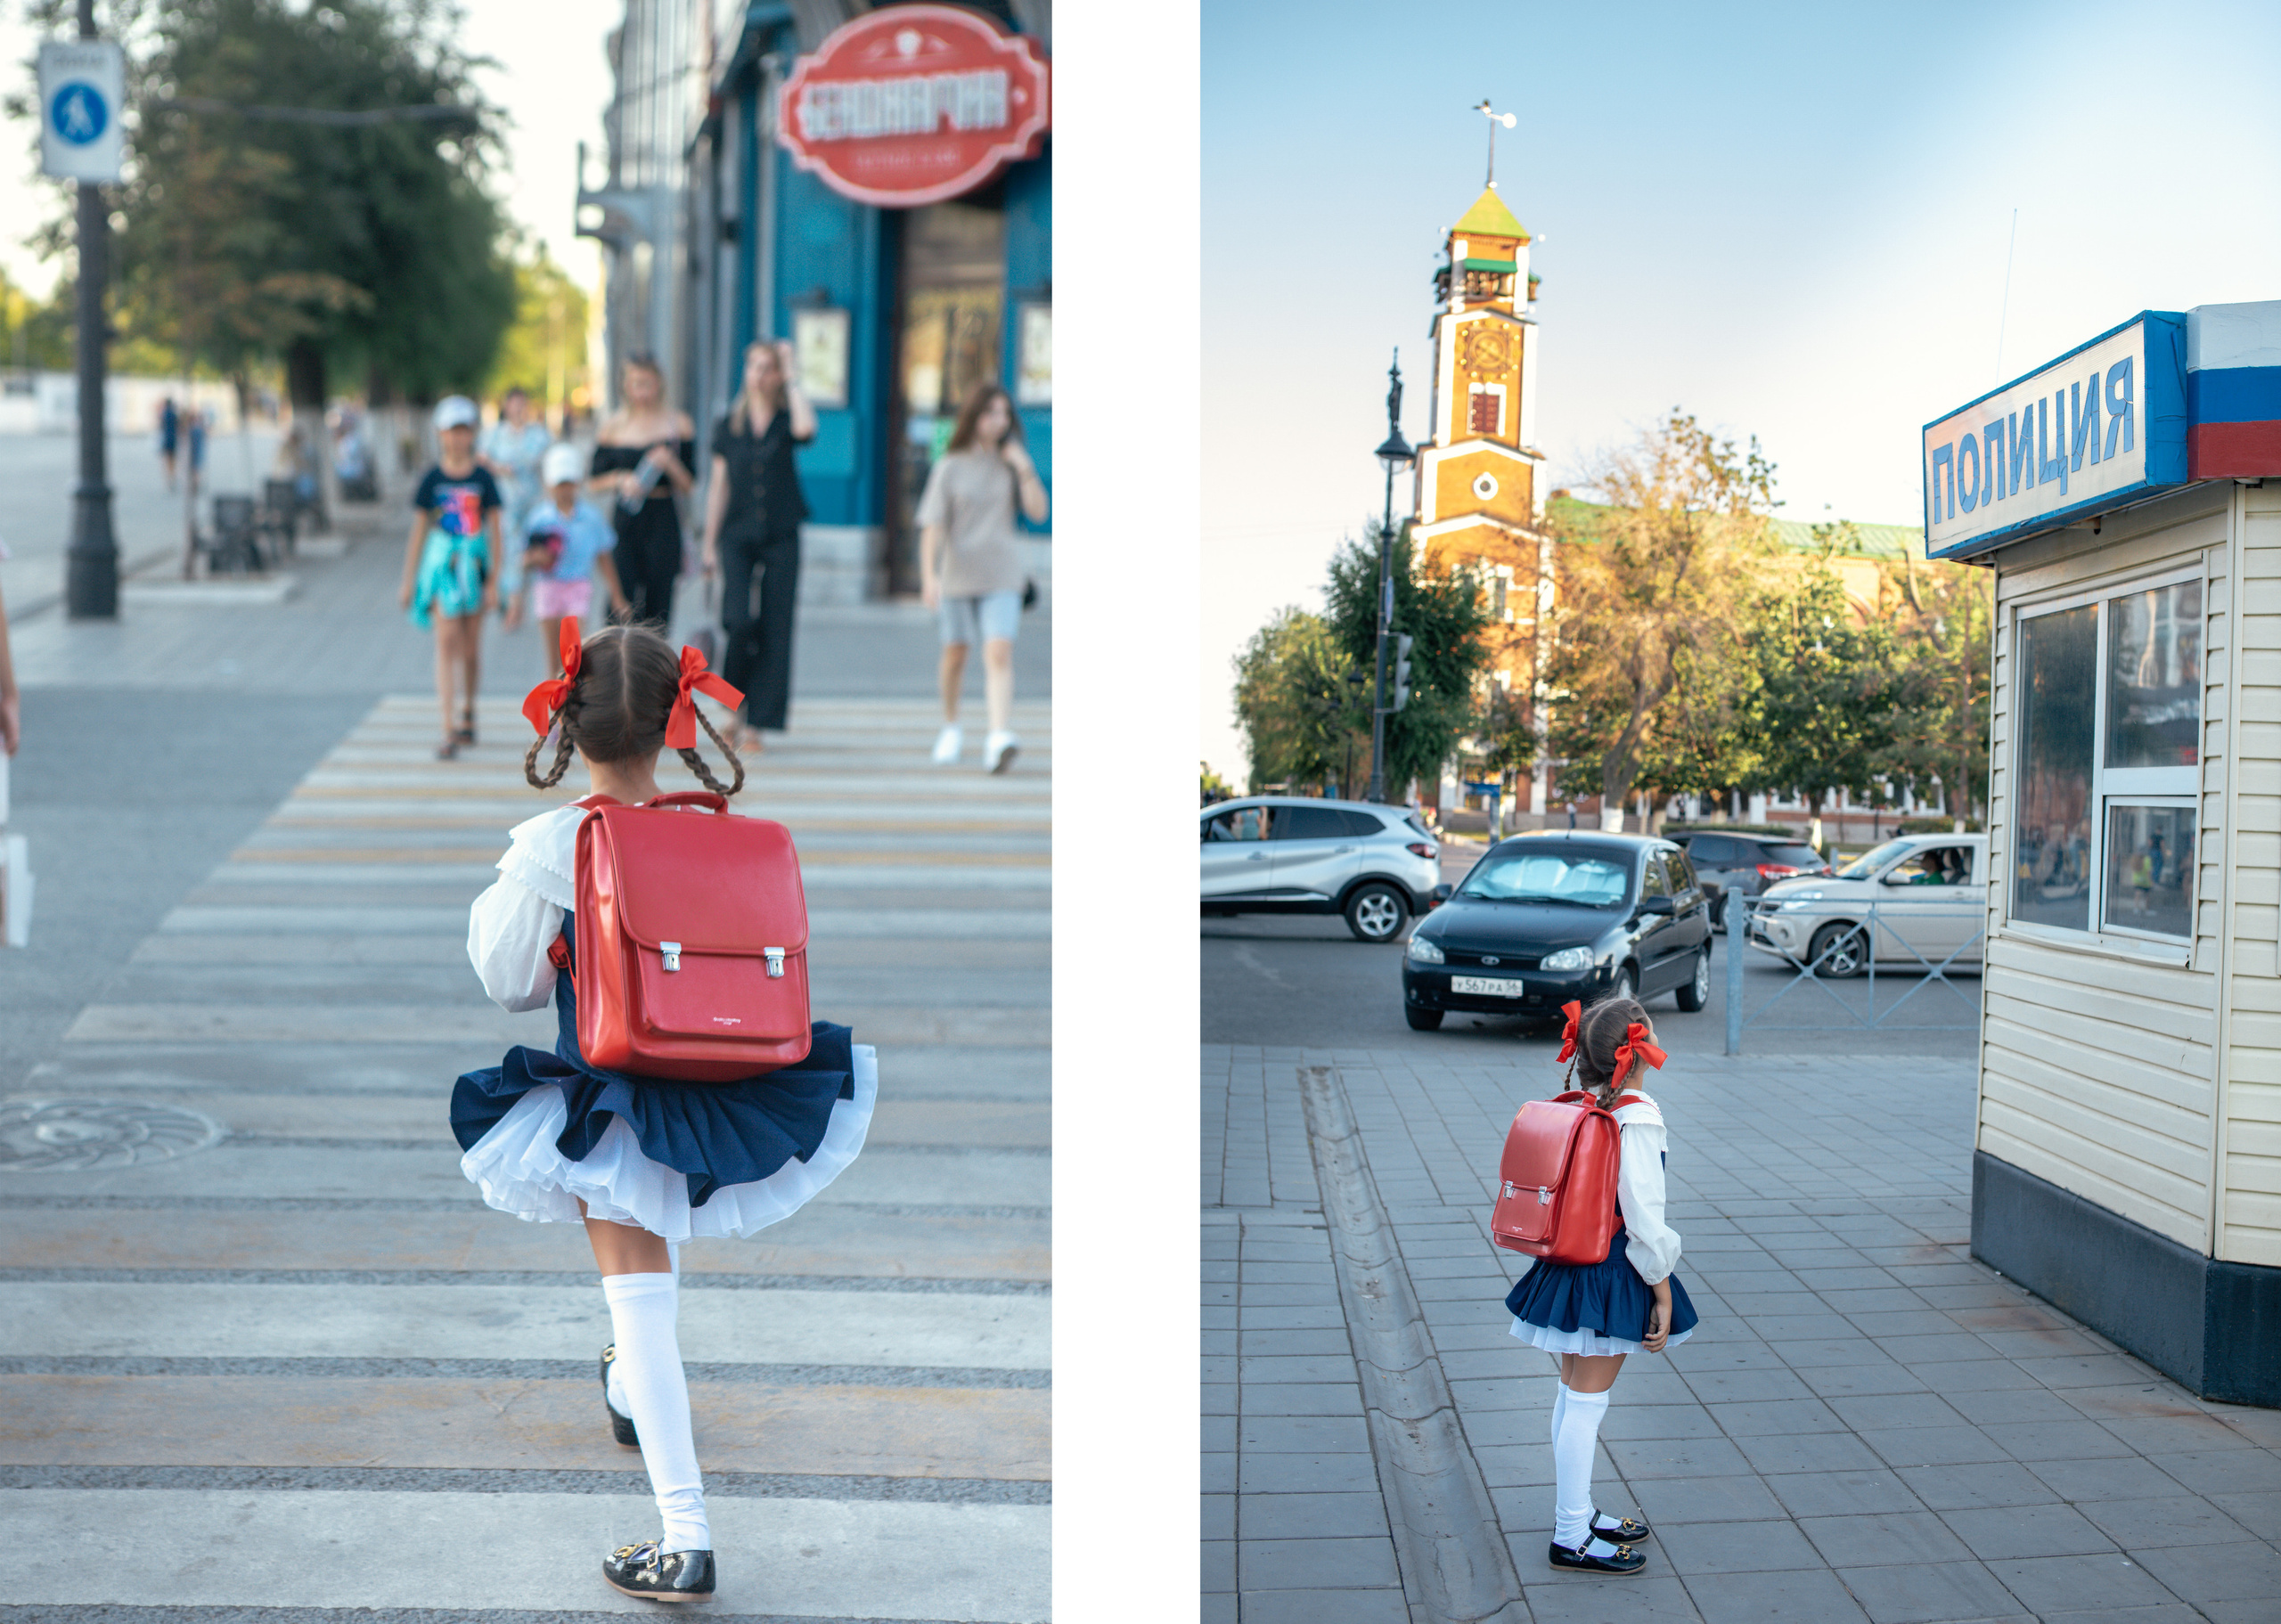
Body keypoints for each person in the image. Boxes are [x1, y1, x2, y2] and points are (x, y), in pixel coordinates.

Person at [453, 621, 876, 1604]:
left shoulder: (560, 842)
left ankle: (684, 1534)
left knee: (638, 1302)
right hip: (718, 1074)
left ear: (571, 721)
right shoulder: (719, 834)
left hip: (617, 1085)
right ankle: (623, 1388)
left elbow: (507, 978)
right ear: (670, 725)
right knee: (645, 1274)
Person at [1504, 996, 1698, 1575]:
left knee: (1573, 1395)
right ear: (1634, 1052)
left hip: (1570, 1262)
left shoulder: (1588, 1104)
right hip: (1609, 1269)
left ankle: (1579, 1512)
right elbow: (1643, 1215)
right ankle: (1570, 1533)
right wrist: (1661, 1288)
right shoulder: (1637, 1116)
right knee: (1587, 1404)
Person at [918, 383, 1048, 773]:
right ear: (975, 418)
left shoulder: (1012, 464)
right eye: (992, 413)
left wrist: (1023, 465)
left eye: (1005, 414)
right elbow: (932, 525)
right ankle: (951, 726)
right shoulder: (951, 465)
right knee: (955, 653)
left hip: (1004, 573)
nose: (1000, 421)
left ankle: (998, 736)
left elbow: (1039, 513)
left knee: (999, 651)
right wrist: (928, 575)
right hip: (958, 573)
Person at [699, 339, 815, 755]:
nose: (761, 374)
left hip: (782, 533)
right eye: (754, 367)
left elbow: (806, 430)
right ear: (745, 373)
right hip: (737, 534)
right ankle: (732, 707)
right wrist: (709, 544)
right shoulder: (727, 426)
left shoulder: (788, 418)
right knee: (737, 620)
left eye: (769, 367)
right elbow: (719, 486)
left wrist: (793, 373)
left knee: (775, 624)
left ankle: (757, 724)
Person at [399, 396, 503, 759]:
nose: (458, 438)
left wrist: (495, 582)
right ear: (440, 434)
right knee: (446, 644)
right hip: (442, 570)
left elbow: (496, 530)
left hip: (474, 568)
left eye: (464, 430)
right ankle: (447, 726)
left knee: (471, 648)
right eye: (451, 431)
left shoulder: (483, 477)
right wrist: (408, 580)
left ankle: (469, 710)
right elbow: (419, 531)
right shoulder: (432, 478)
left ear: (472, 433)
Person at [589, 355, 695, 629]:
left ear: (659, 384)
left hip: (663, 515)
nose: (642, 392)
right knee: (620, 598)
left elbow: (689, 485)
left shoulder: (678, 424)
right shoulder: (613, 426)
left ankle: (654, 666)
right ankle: (615, 664)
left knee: (659, 602)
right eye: (636, 384)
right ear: (626, 386)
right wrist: (620, 478)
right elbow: (591, 482)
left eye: (647, 384)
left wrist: (669, 463)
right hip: (627, 515)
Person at [509, 443, 628, 669]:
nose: (564, 490)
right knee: (552, 653)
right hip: (548, 586)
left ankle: (571, 695)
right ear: (548, 484)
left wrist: (617, 595)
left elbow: (604, 557)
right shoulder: (538, 518)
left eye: (568, 484)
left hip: (577, 585)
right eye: (559, 484)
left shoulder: (591, 518)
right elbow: (523, 559)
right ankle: (554, 697)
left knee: (572, 649)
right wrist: (517, 598)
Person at [481, 387, 554, 612]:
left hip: (534, 501)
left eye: (522, 403)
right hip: (506, 501)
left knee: (535, 547)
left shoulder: (539, 434)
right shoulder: (494, 434)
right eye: (514, 403)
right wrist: (499, 468)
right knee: (510, 547)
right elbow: (481, 459)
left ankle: (532, 595)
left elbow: (548, 465)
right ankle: (513, 599)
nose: (518, 408)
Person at [158, 396, 180, 493]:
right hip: (174, 439)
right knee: (173, 460)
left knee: (167, 460)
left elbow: (161, 426)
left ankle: (169, 478)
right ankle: (172, 477)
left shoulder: (164, 414)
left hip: (167, 439)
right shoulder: (174, 414)